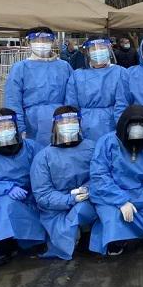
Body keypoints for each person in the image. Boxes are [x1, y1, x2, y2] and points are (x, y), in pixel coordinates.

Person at [89, 104, 143, 256]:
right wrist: (121, 201)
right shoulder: (107, 143)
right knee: (114, 219)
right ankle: (114, 239)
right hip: (109, 196)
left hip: (141, 196)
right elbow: (99, 176)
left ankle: (127, 232)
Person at [30, 106, 98, 260]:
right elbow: (42, 194)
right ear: (55, 125)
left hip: (87, 200)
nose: (68, 125)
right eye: (64, 122)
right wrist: (69, 199)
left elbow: (101, 176)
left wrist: (87, 189)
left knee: (85, 210)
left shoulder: (92, 148)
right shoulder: (43, 157)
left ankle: (87, 234)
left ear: (79, 123)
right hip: (55, 210)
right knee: (64, 234)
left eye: (72, 121)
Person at [0, 109, 45, 266]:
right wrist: (6, 188)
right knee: (5, 204)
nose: (5, 130)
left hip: (31, 195)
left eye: (9, 125)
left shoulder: (31, 147)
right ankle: (0, 245)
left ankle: (30, 240)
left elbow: (47, 169)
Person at [5, 27, 72, 147]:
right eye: (37, 40)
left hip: (61, 120)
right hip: (31, 123)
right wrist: (19, 127)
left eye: (46, 40)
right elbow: (13, 100)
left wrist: (71, 118)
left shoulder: (64, 66)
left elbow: (72, 96)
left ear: (53, 42)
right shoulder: (20, 68)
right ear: (29, 42)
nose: (41, 43)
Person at [65, 37, 131, 142]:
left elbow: (122, 105)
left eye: (102, 48)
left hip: (111, 128)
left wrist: (121, 130)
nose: (98, 51)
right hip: (84, 129)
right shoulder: (77, 75)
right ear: (87, 52)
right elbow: (71, 107)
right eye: (94, 49)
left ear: (109, 50)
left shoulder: (120, 72)